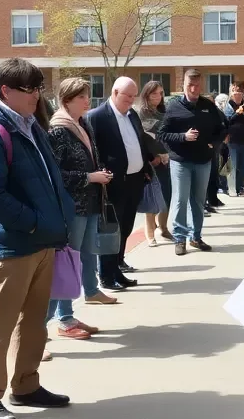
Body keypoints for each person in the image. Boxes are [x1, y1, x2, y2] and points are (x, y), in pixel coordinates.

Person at [0, 58, 75, 419]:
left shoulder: (31, 126)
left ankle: (26, 385)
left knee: (34, 321)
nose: (36, 96)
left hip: (42, 241)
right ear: (5, 92)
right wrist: (31, 224)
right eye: (29, 90)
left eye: (38, 88)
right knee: (2, 320)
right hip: (15, 244)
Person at [46, 77, 115, 336]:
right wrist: (89, 177)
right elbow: (56, 175)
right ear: (66, 101)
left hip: (90, 203)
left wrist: (99, 173)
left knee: (84, 258)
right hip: (73, 207)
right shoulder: (58, 130)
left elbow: (88, 160)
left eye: (88, 95)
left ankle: (69, 315)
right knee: (67, 264)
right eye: (81, 97)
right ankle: (51, 325)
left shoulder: (82, 123)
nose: (88, 100)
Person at [85, 77, 155, 289]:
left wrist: (145, 168)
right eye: (127, 97)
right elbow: (93, 150)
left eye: (134, 97)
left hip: (134, 180)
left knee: (125, 227)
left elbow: (139, 141)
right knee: (111, 230)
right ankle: (106, 276)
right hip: (113, 183)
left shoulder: (132, 114)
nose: (131, 101)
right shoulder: (97, 117)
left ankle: (117, 267)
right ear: (115, 93)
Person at [158, 69, 222, 256]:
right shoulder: (173, 106)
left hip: (203, 161)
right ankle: (180, 239)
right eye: (189, 85)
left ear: (200, 85)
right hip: (181, 162)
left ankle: (196, 236)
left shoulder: (208, 106)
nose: (193, 89)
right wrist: (182, 137)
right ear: (183, 85)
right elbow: (162, 134)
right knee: (180, 200)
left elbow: (221, 129)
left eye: (196, 85)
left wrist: (214, 145)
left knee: (198, 201)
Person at [137, 80, 174, 245]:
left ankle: (164, 228)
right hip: (151, 161)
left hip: (168, 159)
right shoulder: (141, 113)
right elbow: (143, 139)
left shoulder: (165, 111)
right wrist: (153, 156)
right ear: (146, 94)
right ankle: (150, 233)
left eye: (160, 93)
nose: (158, 97)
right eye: (154, 93)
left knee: (167, 195)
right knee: (152, 197)